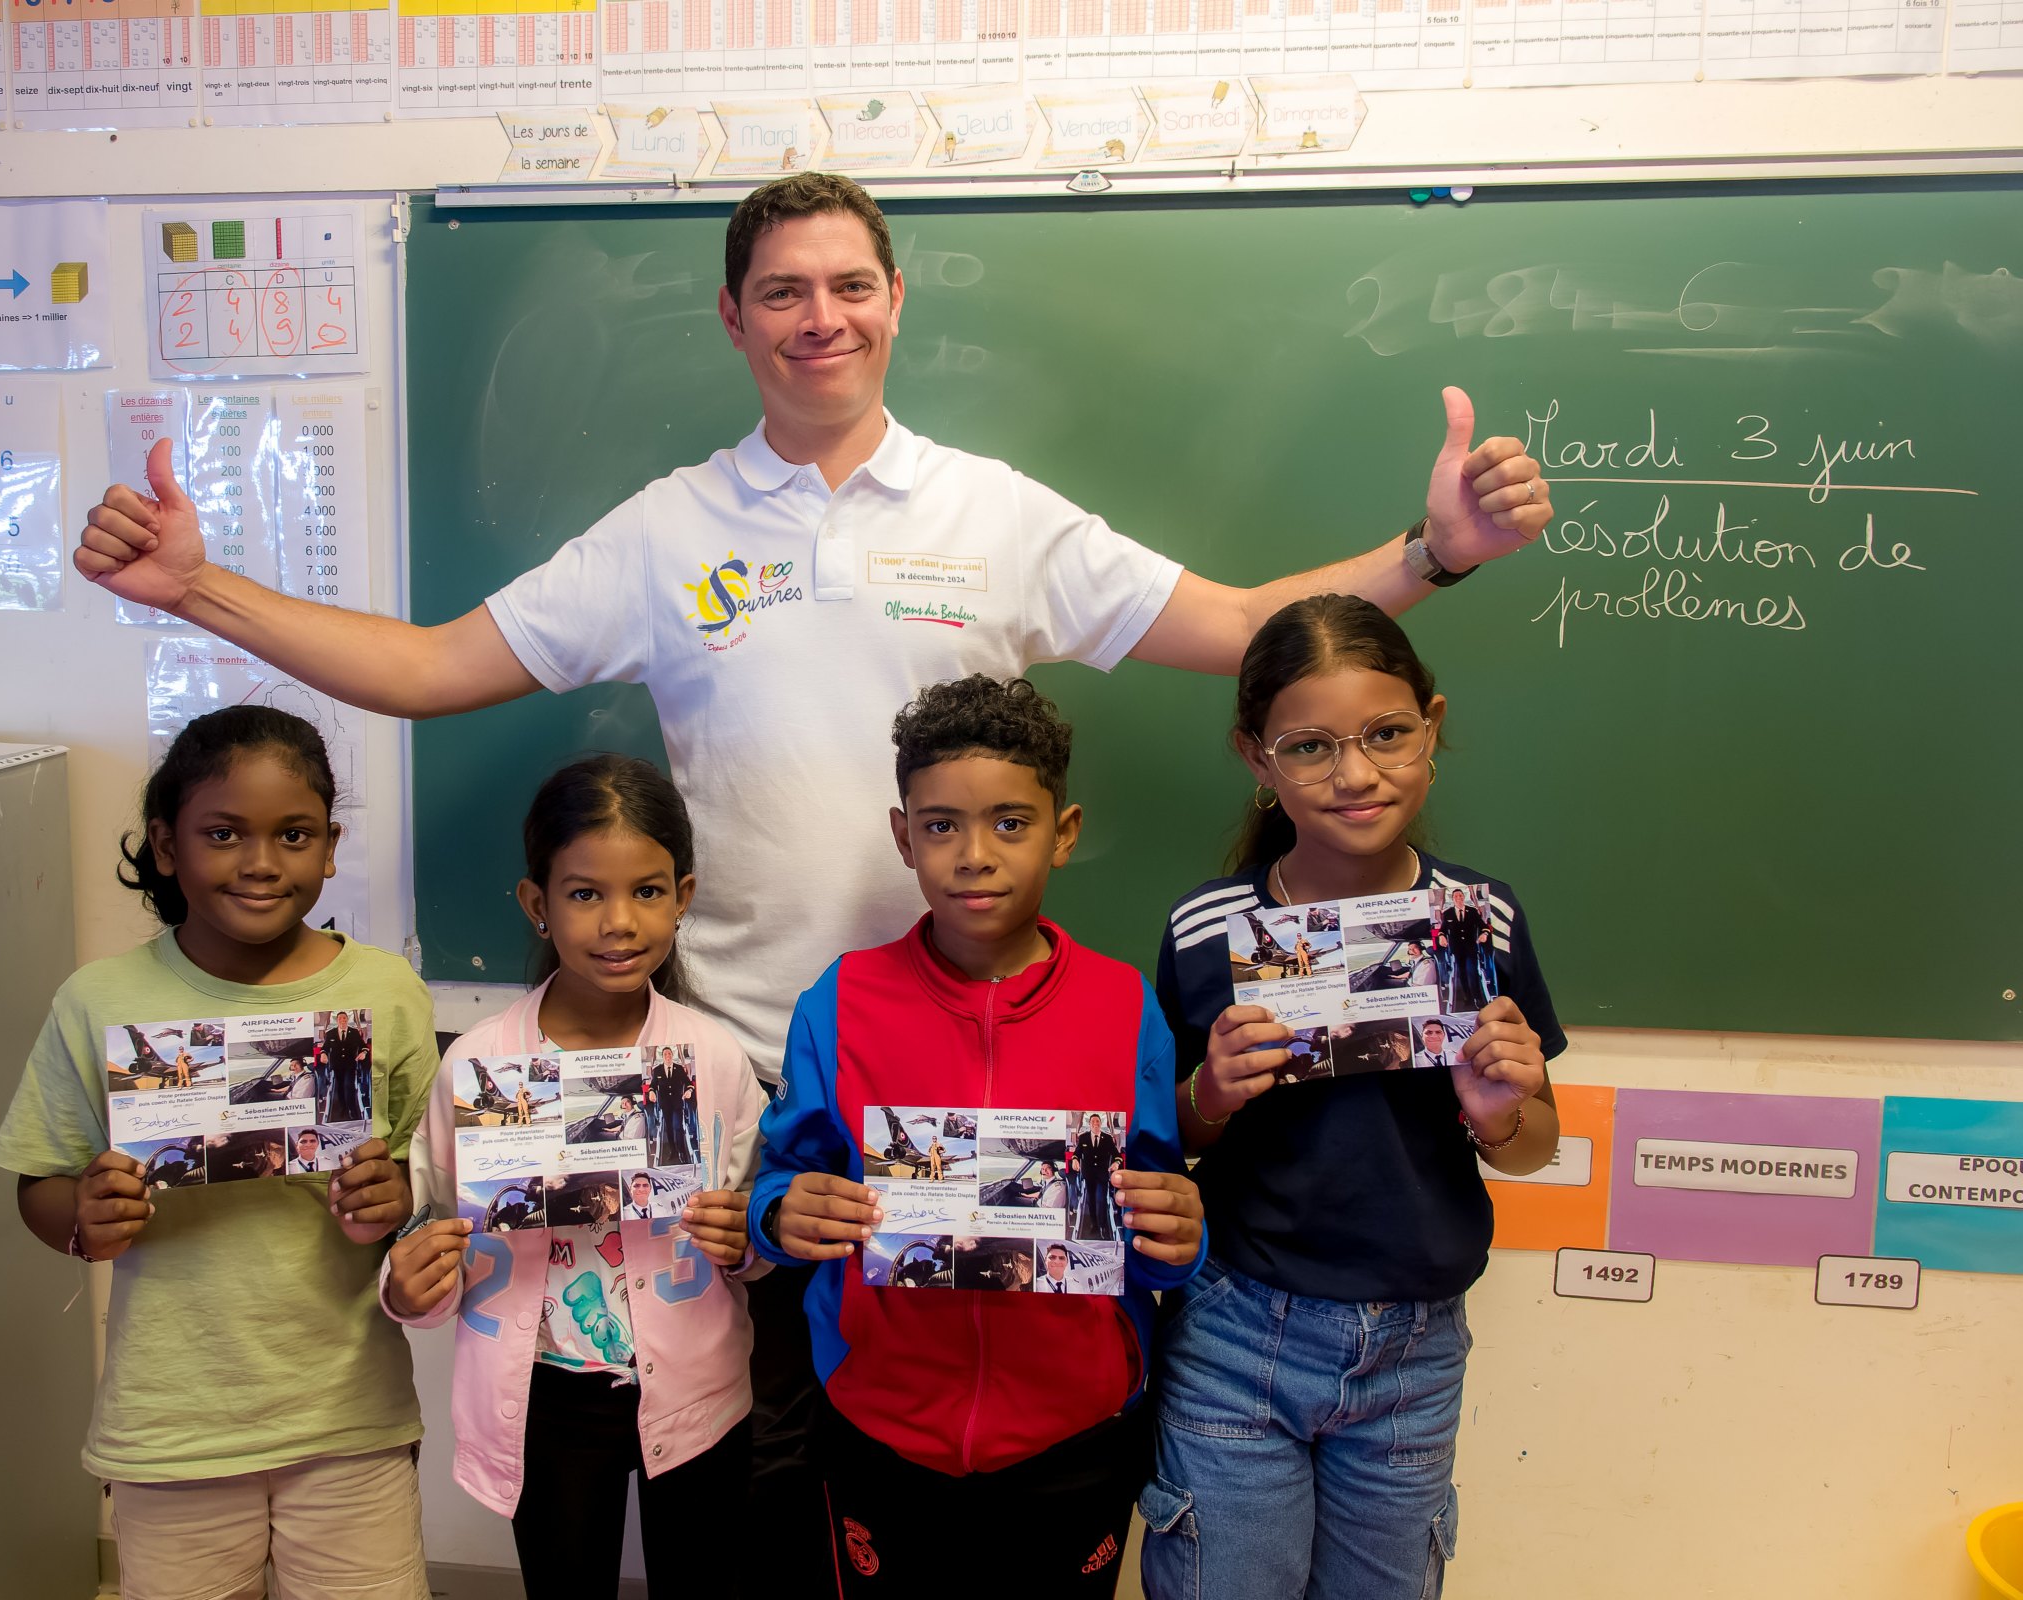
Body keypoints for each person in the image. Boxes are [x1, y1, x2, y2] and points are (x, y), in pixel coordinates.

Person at [76, 172, 1553, 1592]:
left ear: (896, 300)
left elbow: (1241, 625)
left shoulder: (992, 514)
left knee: (974, 1465)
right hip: (740, 1098)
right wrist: (196, 589)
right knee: (766, 1493)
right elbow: (425, 666)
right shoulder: (666, 532)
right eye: (782, 290)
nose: (819, 315)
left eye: (850, 284)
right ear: (732, 318)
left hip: (981, 1088)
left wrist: (1437, 553)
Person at [1147, 595, 1566, 1600]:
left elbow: (1533, 1144)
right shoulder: (1208, 928)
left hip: (1415, 1345)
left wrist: (1497, 1102)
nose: (1357, 772)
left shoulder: (1481, 920)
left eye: (1387, 733)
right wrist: (1212, 1088)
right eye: (1310, 747)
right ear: (1258, 758)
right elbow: (1168, 1135)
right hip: (1240, 1321)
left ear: (1432, 724)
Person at [754, 675, 1206, 1595]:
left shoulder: (1125, 1007)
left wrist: (1177, 1240)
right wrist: (779, 1215)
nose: (973, 855)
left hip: (1074, 1433)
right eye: (940, 826)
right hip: (881, 1426)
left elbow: (1151, 1207)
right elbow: (787, 1176)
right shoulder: (840, 1001)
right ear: (902, 835)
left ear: (1064, 831)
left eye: (1010, 823)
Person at [0, 706, 435, 1600]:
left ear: (331, 846)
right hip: (173, 1422)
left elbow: (432, 1185)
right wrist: (83, 1219)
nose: (262, 862)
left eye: (294, 834)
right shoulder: (98, 999)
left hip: (349, 1416)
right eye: (223, 834)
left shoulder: (388, 992)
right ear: (165, 845)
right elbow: (39, 1181)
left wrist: (403, 1201)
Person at [380, 755, 771, 1600]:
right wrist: (413, 1284)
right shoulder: (481, 1068)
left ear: (685, 895)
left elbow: (755, 1232)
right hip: (544, 1396)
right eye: (586, 893)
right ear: (537, 904)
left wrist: (747, 1244)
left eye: (649, 891)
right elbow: (434, 1224)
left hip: (698, 1388)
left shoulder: (714, 1059)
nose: (620, 921)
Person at [1072, 1112, 1121, 1242]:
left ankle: (1103, 1226)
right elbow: (1077, 1153)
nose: (1095, 1123)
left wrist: (1116, 1163)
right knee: (1091, 1200)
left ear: (1101, 1123)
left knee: (1101, 1200)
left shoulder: (1108, 1138)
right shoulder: (1083, 1138)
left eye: (1097, 1121)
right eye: (1093, 1121)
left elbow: (1117, 1155)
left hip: (1102, 1175)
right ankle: (1094, 1224)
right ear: (1089, 1124)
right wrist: (1075, 1160)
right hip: (1089, 1175)